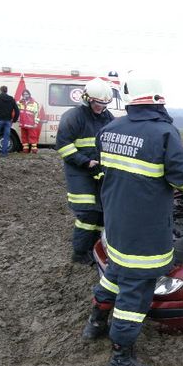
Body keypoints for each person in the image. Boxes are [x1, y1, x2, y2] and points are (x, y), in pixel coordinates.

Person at [81, 71, 183, 366]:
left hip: (116, 221)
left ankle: (94, 324)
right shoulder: (165, 134)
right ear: (158, 99)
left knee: (115, 274)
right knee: (136, 293)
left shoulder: (109, 129)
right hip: (145, 229)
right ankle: (121, 353)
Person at [56, 78, 114, 265]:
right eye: (98, 103)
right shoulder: (73, 117)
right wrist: (86, 162)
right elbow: (63, 146)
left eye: (105, 104)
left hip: (99, 171)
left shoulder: (108, 117)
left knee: (101, 213)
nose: (101, 108)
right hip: (79, 172)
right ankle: (80, 253)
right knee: (87, 213)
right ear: (87, 99)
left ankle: (94, 249)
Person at [0, 86, 20, 157]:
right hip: (8, 121)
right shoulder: (11, 99)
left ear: (0, 91)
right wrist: (14, 120)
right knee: (6, 137)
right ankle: (4, 153)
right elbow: (17, 111)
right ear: (6, 91)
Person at [17, 89, 41, 153]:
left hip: (31, 123)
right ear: (22, 95)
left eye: (27, 94)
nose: (25, 95)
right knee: (24, 137)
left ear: (29, 95)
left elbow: (37, 114)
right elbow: (16, 108)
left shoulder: (34, 103)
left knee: (33, 136)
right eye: (24, 94)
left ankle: (34, 150)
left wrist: (36, 123)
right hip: (23, 123)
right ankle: (25, 149)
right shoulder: (20, 102)